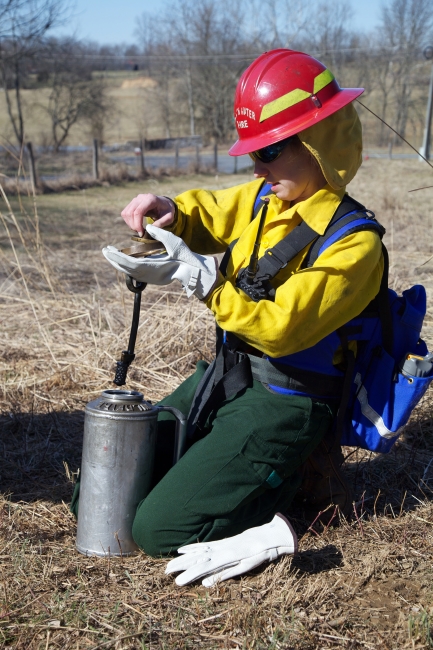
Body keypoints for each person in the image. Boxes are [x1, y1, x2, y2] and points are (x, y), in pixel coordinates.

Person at [103, 49, 384, 586]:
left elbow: (283, 329)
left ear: (318, 143)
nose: (257, 167)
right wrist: (170, 211)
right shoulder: (266, 196)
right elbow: (211, 211)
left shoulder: (356, 245)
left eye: (270, 150)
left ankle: (286, 502)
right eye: (254, 152)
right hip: (231, 376)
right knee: (110, 483)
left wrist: (207, 283)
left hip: (288, 399)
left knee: (158, 529)